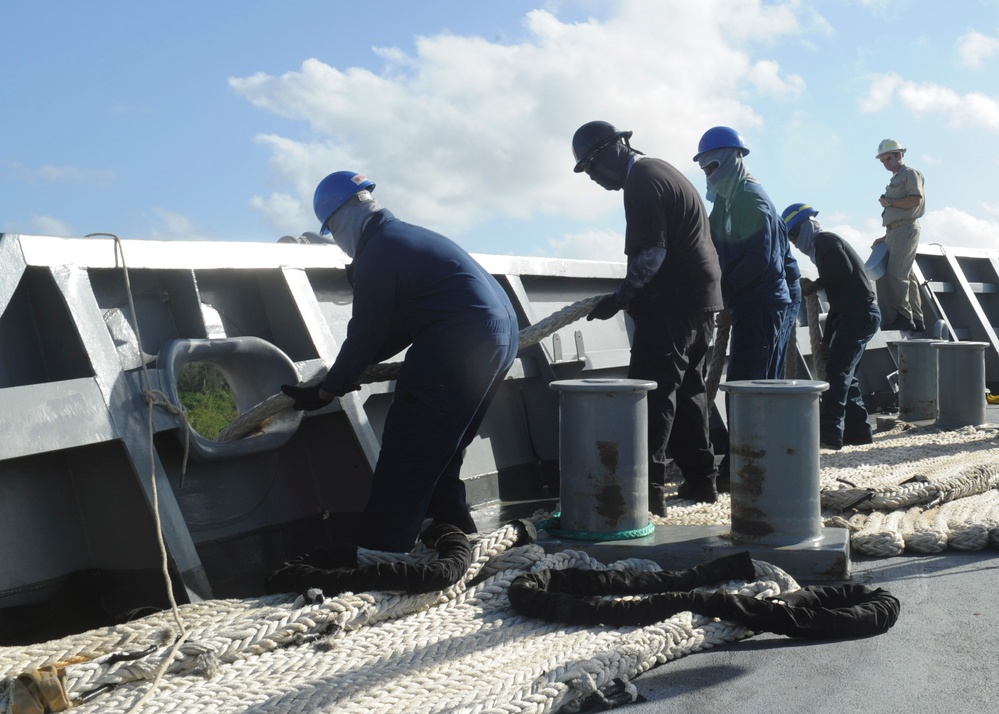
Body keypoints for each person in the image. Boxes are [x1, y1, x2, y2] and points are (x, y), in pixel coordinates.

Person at [281, 171, 520, 553]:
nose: (341, 246)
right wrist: (344, 374)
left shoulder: (378, 251)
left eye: (332, 232)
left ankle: (380, 557)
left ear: (339, 219)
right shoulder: (405, 237)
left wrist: (327, 390)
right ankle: (457, 538)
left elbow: (367, 332)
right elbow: (393, 334)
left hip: (460, 342)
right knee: (442, 447)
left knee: (406, 453)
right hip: (500, 338)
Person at [571, 120, 723, 506]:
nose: (592, 179)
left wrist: (619, 299)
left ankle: (646, 492)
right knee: (689, 391)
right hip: (702, 301)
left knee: (651, 394)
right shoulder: (664, 171)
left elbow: (652, 255)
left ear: (606, 153)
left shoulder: (640, 182)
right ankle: (702, 481)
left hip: (671, 304)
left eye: (589, 169)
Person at [693, 126, 790, 490]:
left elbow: (760, 260)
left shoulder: (752, 200)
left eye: (713, 164)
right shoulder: (725, 203)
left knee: (751, 386)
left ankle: (750, 467)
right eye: (703, 168)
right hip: (745, 302)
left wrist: (725, 294)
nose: (708, 173)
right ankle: (743, 462)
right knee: (744, 385)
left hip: (762, 304)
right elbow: (712, 246)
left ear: (735, 158)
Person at [782, 203, 880, 449]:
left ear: (805, 227)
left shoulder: (825, 241)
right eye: (790, 237)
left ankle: (829, 435)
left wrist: (816, 284)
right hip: (855, 315)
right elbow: (837, 305)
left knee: (837, 373)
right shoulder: (821, 248)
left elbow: (842, 270)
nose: (794, 242)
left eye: (794, 234)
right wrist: (826, 340)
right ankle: (859, 433)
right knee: (847, 375)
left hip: (859, 315)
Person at [873, 139, 925, 332]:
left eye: (888, 158)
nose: (885, 162)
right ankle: (916, 320)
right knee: (907, 275)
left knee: (897, 274)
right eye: (883, 160)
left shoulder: (910, 174)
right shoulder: (897, 177)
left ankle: (904, 317)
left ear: (899, 155)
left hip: (905, 229)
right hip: (896, 231)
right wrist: (886, 237)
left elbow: (914, 200)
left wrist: (889, 203)